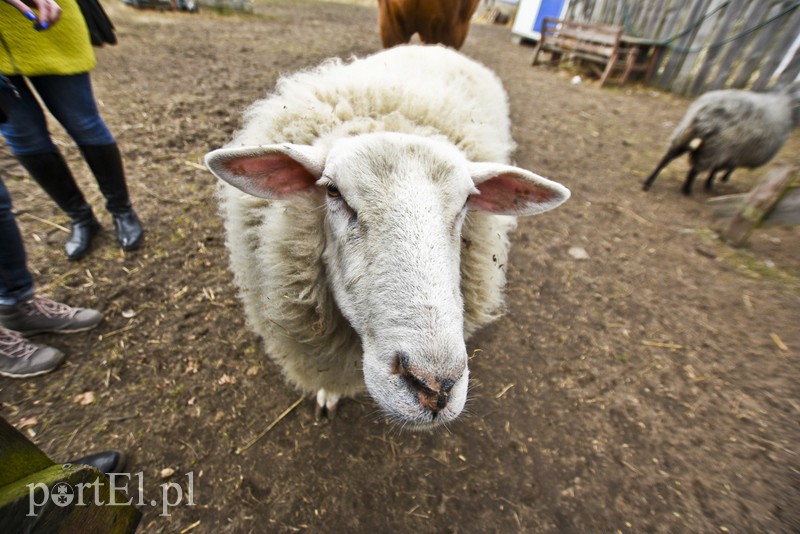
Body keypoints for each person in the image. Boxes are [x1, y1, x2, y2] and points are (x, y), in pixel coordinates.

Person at [0, 0, 143, 260]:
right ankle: (80, 217)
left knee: (84, 123)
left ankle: (122, 210)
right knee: (23, 136)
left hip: (47, 26)